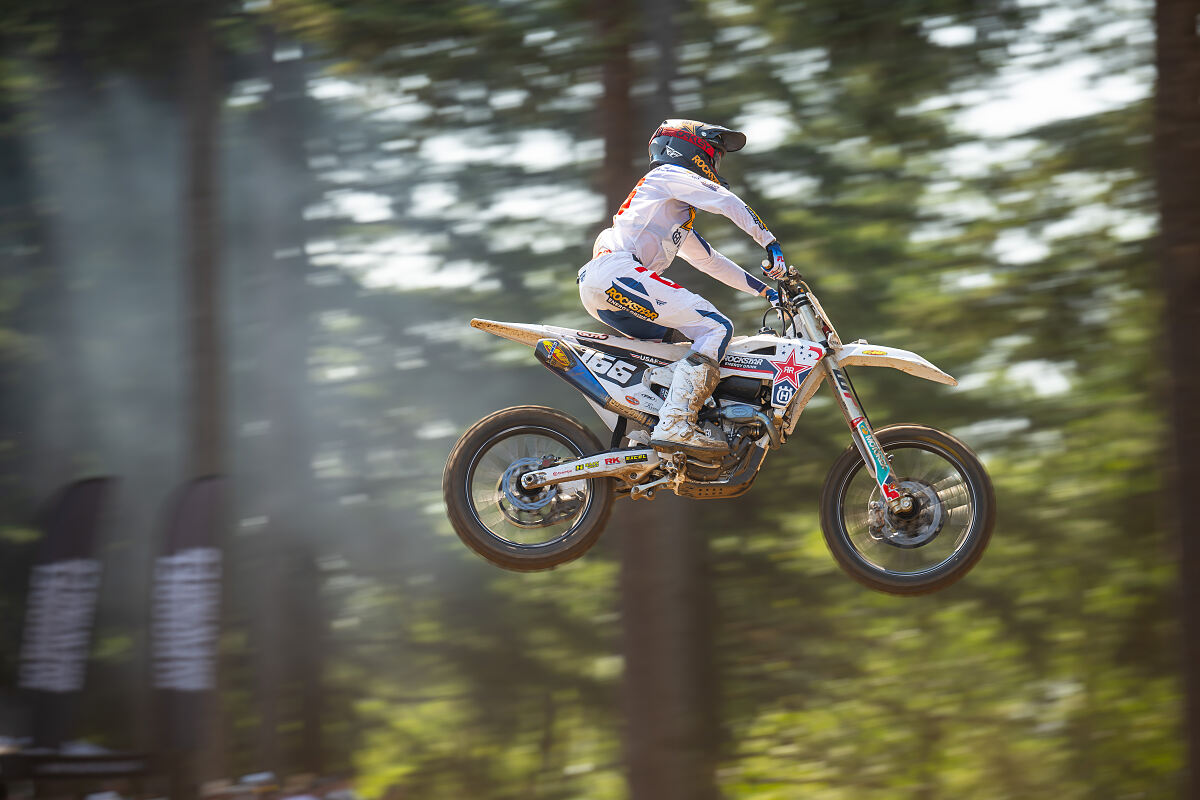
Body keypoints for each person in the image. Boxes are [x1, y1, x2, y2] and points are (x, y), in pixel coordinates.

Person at [577, 118, 789, 457]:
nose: (716, 166)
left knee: (677, 349)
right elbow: (725, 200)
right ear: (691, 149)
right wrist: (769, 241)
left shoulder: (669, 209)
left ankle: (645, 435)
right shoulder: (667, 176)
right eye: (714, 156)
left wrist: (765, 292)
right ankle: (676, 423)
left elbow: (710, 261)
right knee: (717, 327)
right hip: (617, 271)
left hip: (605, 284)